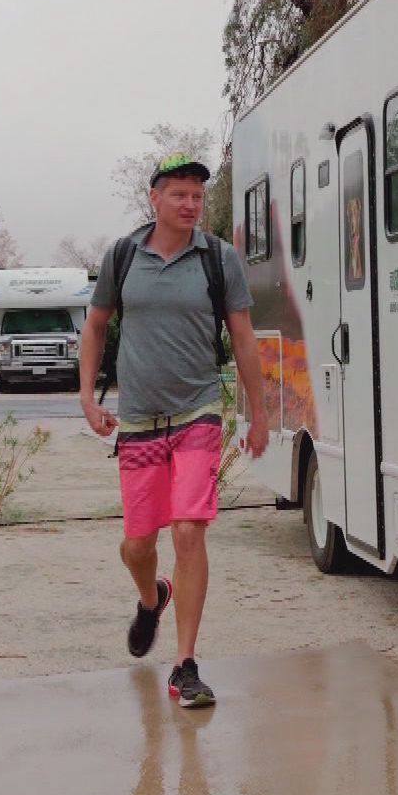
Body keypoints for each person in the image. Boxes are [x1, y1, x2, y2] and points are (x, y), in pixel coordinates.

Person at [79, 152, 269, 707]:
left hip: (196, 413)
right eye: (180, 194)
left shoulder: (218, 259)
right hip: (138, 419)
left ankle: (185, 665)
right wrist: (87, 397)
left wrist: (258, 413)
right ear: (155, 198)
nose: (190, 205)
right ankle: (150, 597)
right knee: (138, 544)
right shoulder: (123, 256)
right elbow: (96, 326)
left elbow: (243, 336)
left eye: (197, 196)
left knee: (188, 530)